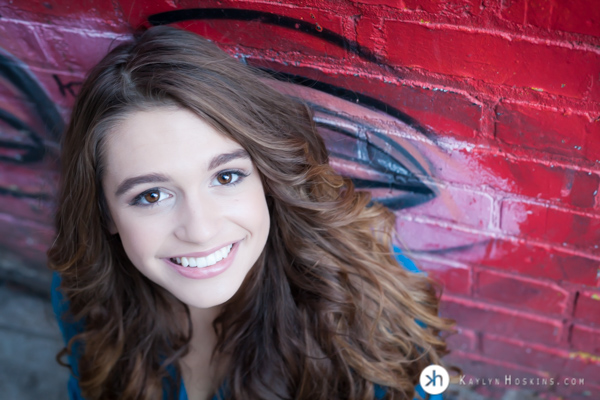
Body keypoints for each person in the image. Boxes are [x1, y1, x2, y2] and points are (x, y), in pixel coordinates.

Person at [48, 26, 454, 400]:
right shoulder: (86, 291)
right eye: (152, 196)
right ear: (105, 214)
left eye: (226, 177)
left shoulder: (368, 300)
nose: (201, 230)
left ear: (267, 178)